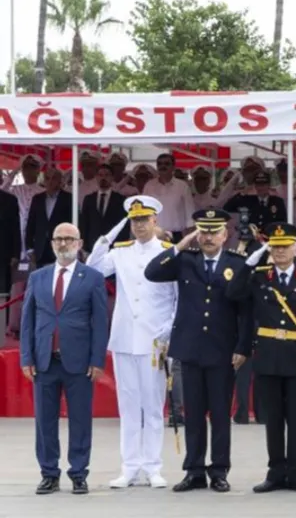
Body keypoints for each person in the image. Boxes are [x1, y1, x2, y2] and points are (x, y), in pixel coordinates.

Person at [143, 209, 251, 493]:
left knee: (220, 414)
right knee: (193, 414)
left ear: (225, 235)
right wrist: (179, 245)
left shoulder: (236, 263)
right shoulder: (185, 260)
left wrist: (242, 347)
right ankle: (194, 470)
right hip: (190, 348)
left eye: (214, 232)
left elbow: (245, 311)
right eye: (203, 232)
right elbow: (152, 272)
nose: (208, 237)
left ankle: (219, 470)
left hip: (222, 349)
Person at [85, 195, 178, 490]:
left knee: (153, 406)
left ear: (155, 220)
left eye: (144, 219)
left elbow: (178, 296)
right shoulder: (121, 252)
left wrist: (169, 329)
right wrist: (109, 235)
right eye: (134, 220)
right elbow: (92, 267)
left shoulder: (169, 253)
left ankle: (153, 467)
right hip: (125, 337)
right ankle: (129, 467)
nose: (139, 225)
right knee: (128, 406)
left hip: (155, 340)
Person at [226, 222, 296, 493]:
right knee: (272, 419)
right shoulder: (259, 276)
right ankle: (275, 472)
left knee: (295, 418)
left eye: (285, 246)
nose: (280, 251)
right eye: (275, 247)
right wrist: (250, 261)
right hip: (268, 356)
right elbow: (233, 293)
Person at [21, 223, 108, 495]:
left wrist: (97, 360)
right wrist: (26, 357)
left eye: (69, 239)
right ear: (52, 244)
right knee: (44, 421)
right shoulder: (38, 277)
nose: (63, 244)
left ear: (79, 244)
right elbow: (28, 319)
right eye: (58, 239)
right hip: (44, 361)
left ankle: (79, 473)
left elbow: (100, 322)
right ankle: (49, 473)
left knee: (80, 420)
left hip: (79, 363)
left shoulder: (92, 277)